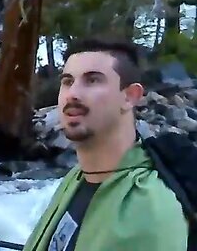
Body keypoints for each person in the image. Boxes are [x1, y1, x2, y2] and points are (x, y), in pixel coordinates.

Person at [22, 38, 186, 251]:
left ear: (129, 96)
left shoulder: (148, 209)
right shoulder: (77, 177)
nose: (73, 93)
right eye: (68, 81)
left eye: (92, 81)